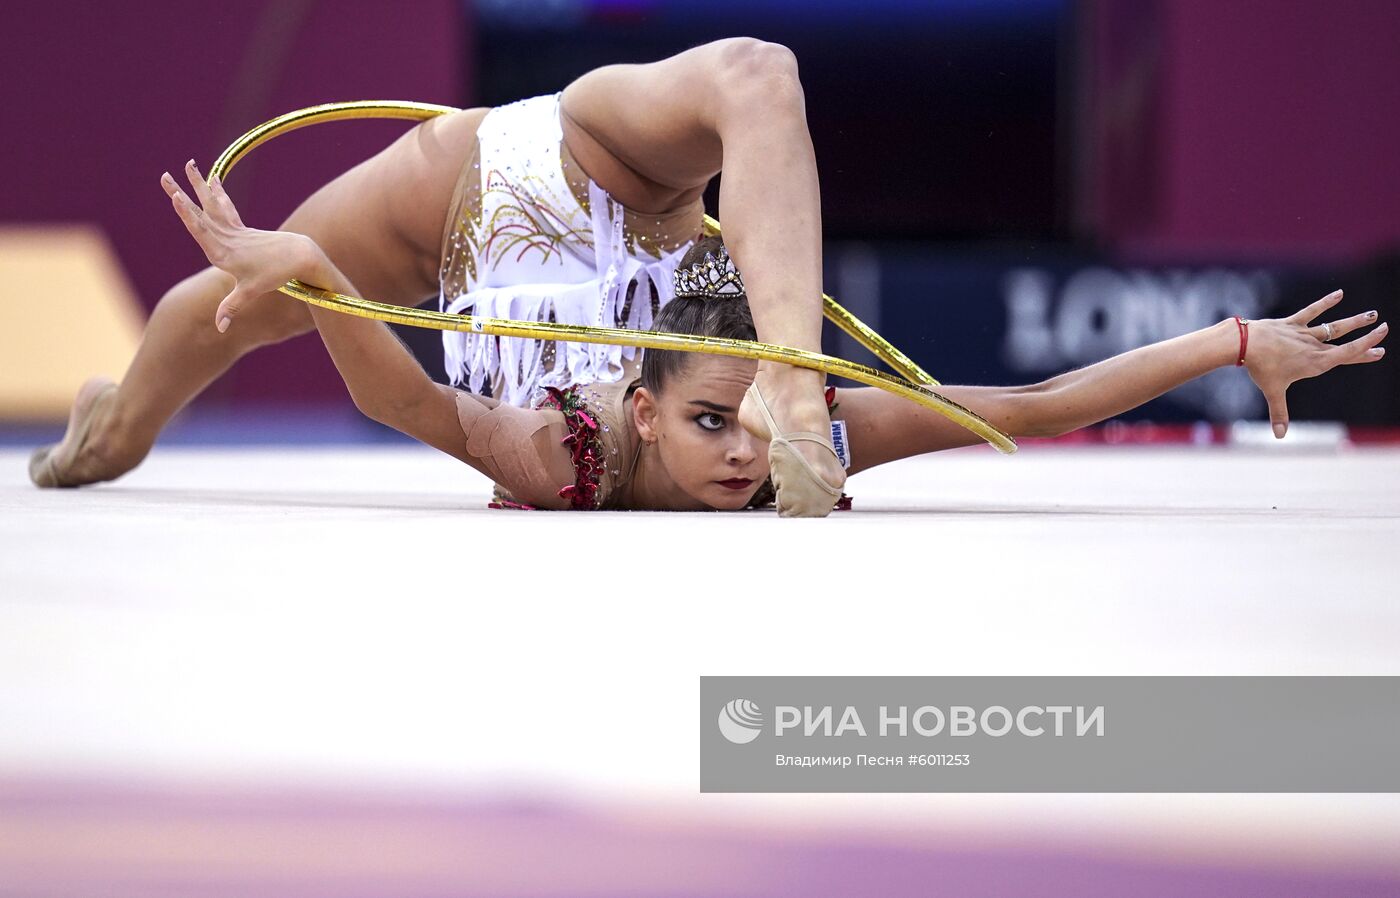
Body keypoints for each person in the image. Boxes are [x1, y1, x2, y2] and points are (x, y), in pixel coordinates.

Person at [29, 39, 1389, 513]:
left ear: (632, 417)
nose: (737, 460)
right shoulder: (776, 447)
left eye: (730, 425)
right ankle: (123, 417)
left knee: (247, 303)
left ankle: (128, 411)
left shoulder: (561, 453)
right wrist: (1226, 340)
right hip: (572, 189)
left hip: (478, 232)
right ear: (655, 396)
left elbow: (396, 400)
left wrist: (311, 267)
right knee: (759, 76)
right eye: (725, 422)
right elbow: (1024, 405)